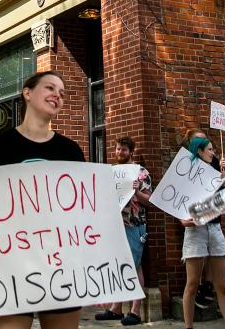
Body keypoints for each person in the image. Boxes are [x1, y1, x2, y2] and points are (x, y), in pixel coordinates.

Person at [0, 71, 85, 329]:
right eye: (50, 88)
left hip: (60, 267)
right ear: (28, 93)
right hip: (8, 268)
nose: (57, 96)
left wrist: (98, 274)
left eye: (61, 94)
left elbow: (83, 215)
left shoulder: (70, 151)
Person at [95, 136, 152, 326]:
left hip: (134, 225)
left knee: (135, 266)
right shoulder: (112, 172)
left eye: (124, 150)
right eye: (118, 149)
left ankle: (135, 311)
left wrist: (136, 192)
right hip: (115, 225)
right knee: (118, 265)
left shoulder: (141, 173)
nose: (120, 153)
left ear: (131, 152)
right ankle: (116, 308)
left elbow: (150, 201)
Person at [181, 137, 225, 329]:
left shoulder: (216, 173)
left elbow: (224, 203)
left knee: (222, 285)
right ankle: (188, 326)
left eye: (213, 149)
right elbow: (177, 201)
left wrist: (223, 182)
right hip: (195, 230)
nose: (213, 152)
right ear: (199, 151)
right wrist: (182, 219)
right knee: (192, 283)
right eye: (210, 149)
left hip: (214, 227)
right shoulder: (186, 174)